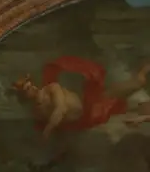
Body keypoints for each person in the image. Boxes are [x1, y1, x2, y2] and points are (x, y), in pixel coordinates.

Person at [13, 57, 150, 137]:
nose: (32, 88)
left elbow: (60, 109)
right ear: (24, 95)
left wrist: (48, 130)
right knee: (126, 108)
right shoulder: (37, 111)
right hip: (87, 118)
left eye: (30, 86)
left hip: (91, 103)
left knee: (129, 88)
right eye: (27, 89)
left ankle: (143, 74)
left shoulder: (51, 89)